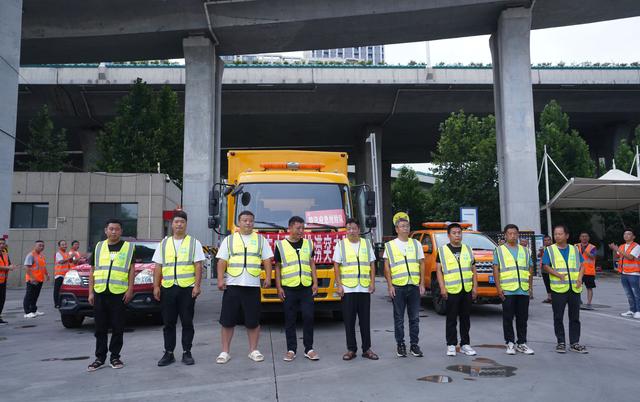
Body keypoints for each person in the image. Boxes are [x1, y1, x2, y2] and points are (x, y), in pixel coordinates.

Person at [215, 210, 273, 364]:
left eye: (251, 221)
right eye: (245, 220)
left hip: (252, 285)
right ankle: (225, 351)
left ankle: (253, 350)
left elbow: (267, 260)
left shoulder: (261, 240)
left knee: (253, 321)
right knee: (227, 320)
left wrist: (267, 277)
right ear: (239, 222)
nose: (248, 223)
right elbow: (221, 261)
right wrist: (221, 279)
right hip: (232, 285)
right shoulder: (229, 240)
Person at [153, 210, 205, 366]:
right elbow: (158, 266)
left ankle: (186, 352)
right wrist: (156, 286)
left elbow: (198, 266)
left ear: (186, 224)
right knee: (168, 322)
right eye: (176, 222)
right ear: (172, 224)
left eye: (182, 222)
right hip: (168, 288)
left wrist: (197, 286)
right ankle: (169, 353)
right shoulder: (164, 243)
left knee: (187, 322)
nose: (179, 225)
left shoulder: (194, 243)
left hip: (187, 289)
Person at [87, 219, 135, 371]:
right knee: (100, 328)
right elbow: (92, 270)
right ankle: (99, 358)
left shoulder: (128, 248)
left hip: (118, 293)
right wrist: (90, 292)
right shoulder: (99, 247)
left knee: (117, 327)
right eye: (111, 229)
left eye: (117, 229)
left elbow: (132, 270)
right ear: (105, 230)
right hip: (100, 292)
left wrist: (130, 289)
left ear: (121, 231)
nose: (114, 232)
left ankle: (115, 357)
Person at [274, 216, 319, 362]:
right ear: (290, 228)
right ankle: (291, 349)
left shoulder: (308, 243)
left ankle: (309, 349)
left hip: (306, 287)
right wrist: (279, 286)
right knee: (290, 320)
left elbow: (312, 263)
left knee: (308, 317)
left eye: (302, 228)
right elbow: (278, 267)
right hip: (289, 288)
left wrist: (315, 283)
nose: (301, 231)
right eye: (298, 228)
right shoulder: (280, 245)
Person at [333, 218, 379, 361]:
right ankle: (351, 349)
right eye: (348, 229)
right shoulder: (341, 245)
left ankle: (367, 349)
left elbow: (372, 264)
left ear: (359, 229)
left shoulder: (366, 244)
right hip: (347, 289)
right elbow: (336, 265)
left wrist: (372, 282)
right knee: (349, 321)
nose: (351, 231)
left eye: (353, 228)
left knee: (365, 321)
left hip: (364, 288)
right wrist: (339, 285)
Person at [383, 217, 425, 358]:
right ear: (396, 229)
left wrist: (422, 283)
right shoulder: (390, 245)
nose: (405, 228)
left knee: (414, 318)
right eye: (402, 226)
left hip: (413, 285)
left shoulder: (416, 244)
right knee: (399, 318)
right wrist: (390, 286)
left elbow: (422, 264)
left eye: (407, 226)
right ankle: (400, 345)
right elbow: (386, 268)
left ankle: (414, 345)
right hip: (398, 286)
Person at [542, 224, 587, 354]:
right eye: (555, 234)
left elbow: (582, 265)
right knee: (558, 317)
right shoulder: (550, 250)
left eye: (560, 234)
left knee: (575, 317)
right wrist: (558, 275)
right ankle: (560, 342)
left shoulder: (574, 249)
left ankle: (574, 343)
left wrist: (580, 278)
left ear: (567, 235)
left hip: (574, 288)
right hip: (558, 289)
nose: (557, 236)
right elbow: (545, 266)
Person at [436, 222, 478, 357]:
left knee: (465, 318)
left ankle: (465, 344)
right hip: (451, 289)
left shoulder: (468, 249)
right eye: (454, 233)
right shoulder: (442, 250)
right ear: (449, 235)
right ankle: (451, 345)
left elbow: (473, 269)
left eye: (459, 233)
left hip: (466, 289)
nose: (457, 235)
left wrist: (475, 287)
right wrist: (442, 287)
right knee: (451, 318)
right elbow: (438, 270)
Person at [492, 224, 534, 355]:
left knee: (522, 318)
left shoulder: (525, 250)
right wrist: (498, 288)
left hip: (523, 289)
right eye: (509, 233)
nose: (512, 236)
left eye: (515, 233)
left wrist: (530, 288)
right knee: (508, 318)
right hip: (508, 290)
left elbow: (530, 269)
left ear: (518, 234)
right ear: (505, 235)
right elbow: (495, 270)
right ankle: (510, 343)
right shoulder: (499, 250)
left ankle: (522, 343)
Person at [608, 229, 640, 319]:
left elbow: (630, 257)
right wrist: (614, 250)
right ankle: (632, 310)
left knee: (636, 293)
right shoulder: (622, 246)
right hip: (624, 273)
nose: (626, 235)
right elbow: (616, 256)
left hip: (634, 273)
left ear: (633, 237)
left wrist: (617, 249)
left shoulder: (636, 246)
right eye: (625, 234)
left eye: (629, 234)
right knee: (628, 293)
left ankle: (638, 311)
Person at [23, 240, 48, 318]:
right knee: (29, 296)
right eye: (39, 245)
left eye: (42, 246)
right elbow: (26, 267)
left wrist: (47, 275)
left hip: (39, 279)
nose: (41, 247)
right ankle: (27, 312)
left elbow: (43, 267)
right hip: (32, 280)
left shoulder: (41, 256)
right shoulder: (31, 255)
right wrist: (32, 278)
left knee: (35, 296)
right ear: (35, 246)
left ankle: (33, 310)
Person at [576, 231, 597, 310]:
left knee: (589, 288)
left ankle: (589, 303)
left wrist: (584, 250)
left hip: (589, 271)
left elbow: (592, 257)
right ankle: (578, 301)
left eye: (586, 236)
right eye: (582, 236)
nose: (584, 238)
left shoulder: (592, 247)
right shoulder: (575, 246)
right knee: (577, 287)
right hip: (578, 270)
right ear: (580, 238)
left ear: (588, 238)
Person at [53, 240, 74, 308]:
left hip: (65, 275)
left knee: (63, 290)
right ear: (59, 246)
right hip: (59, 274)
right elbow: (61, 262)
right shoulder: (58, 253)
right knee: (57, 290)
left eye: (65, 244)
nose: (64, 246)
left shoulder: (66, 253)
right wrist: (69, 258)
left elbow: (70, 261)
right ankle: (56, 304)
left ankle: (61, 302)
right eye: (62, 245)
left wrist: (71, 259)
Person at [0, 238, 15, 325]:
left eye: (3, 244)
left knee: (2, 300)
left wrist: (11, 266)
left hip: (3, 281)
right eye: (0, 243)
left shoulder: (5, 254)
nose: (2, 245)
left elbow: (8, 264)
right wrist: (8, 268)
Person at [539, 235, 553, 303]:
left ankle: (554, 298)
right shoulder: (543, 248)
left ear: (551, 241)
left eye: (548, 240)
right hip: (544, 269)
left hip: (551, 268)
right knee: (547, 283)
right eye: (545, 240)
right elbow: (539, 255)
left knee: (552, 283)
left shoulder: (554, 248)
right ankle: (549, 297)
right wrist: (541, 252)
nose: (547, 241)